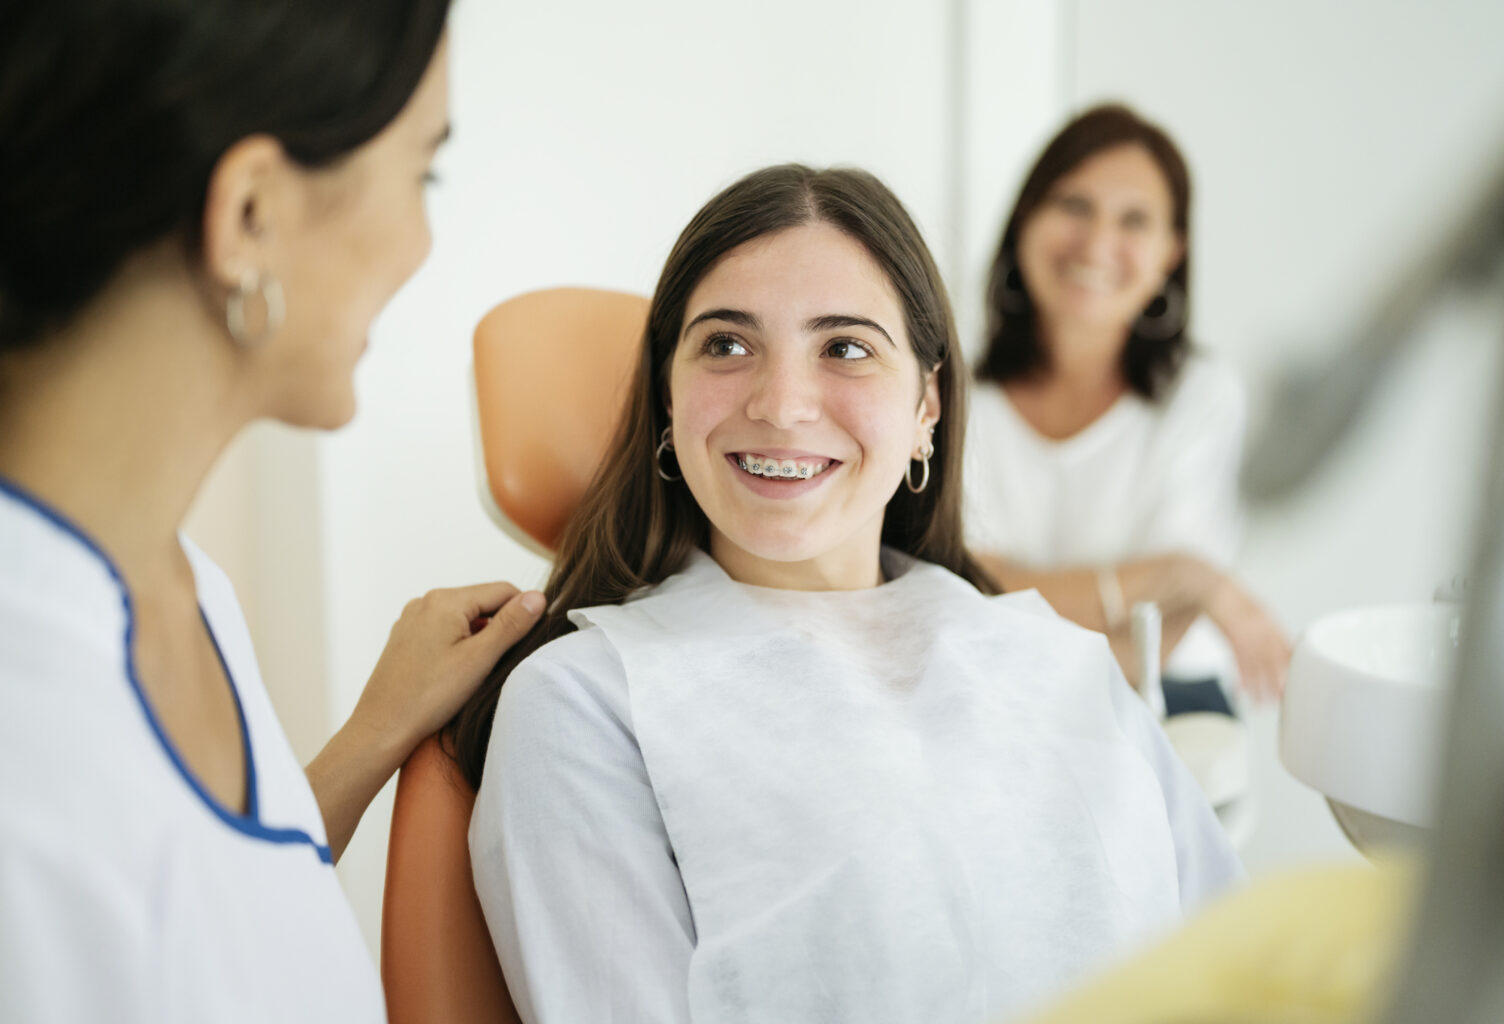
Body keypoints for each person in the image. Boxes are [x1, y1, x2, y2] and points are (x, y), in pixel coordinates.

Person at [456, 164, 1244, 1024]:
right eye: (726, 344)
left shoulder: (1056, 661)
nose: (783, 404)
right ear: (667, 399)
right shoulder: (585, 704)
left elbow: (1242, 966)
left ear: (926, 407)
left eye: (846, 348)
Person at [0, 3, 545, 1020]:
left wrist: (372, 736)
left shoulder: (173, 582)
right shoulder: (27, 749)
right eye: (422, 173)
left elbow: (205, 916)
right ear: (250, 213)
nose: (425, 242)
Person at [965, 104, 1289, 703]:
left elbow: (1161, 635)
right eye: (1074, 206)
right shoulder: (955, 397)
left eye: (1134, 220)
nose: (1097, 243)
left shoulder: (1202, 396)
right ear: (1025, 220)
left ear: (1171, 253)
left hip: (1165, 696)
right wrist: (1174, 576)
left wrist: (1009, 606)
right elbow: (963, 592)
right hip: (996, 695)